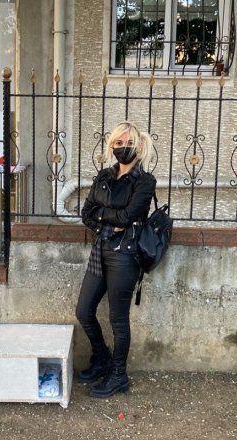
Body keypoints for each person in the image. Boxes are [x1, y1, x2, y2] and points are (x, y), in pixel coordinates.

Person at [76, 121, 156, 398]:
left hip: (125, 256)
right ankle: (102, 358)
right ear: (112, 146)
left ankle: (119, 375)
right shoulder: (103, 175)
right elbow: (86, 213)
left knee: (118, 320)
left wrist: (103, 214)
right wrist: (108, 219)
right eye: (117, 143)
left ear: (140, 146)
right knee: (84, 311)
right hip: (101, 249)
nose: (123, 148)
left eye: (128, 143)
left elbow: (128, 217)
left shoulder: (145, 182)